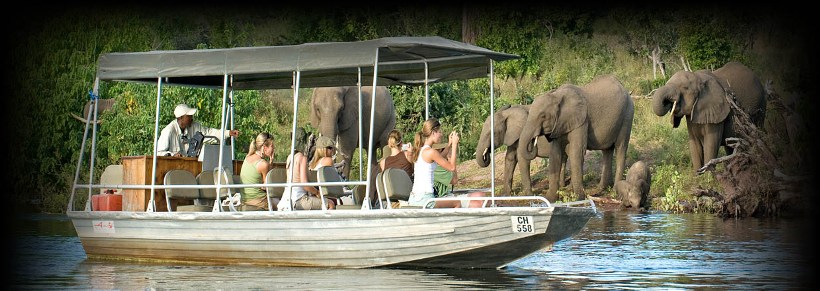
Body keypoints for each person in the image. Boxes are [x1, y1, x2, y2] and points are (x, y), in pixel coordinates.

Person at [409, 118, 486, 208]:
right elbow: (452, 167)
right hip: (425, 199)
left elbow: (440, 157)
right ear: (433, 132)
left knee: (455, 202)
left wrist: (449, 144)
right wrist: (454, 145)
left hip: (415, 198)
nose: (441, 135)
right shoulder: (430, 152)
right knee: (456, 203)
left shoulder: (422, 150)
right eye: (439, 132)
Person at [277, 128, 335, 211]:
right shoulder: (302, 158)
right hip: (299, 199)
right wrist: (317, 193)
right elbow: (305, 184)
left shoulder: (290, 157)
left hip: (286, 198)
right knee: (330, 203)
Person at [156, 103, 240, 157]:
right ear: (181, 118)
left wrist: (228, 133)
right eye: (188, 116)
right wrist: (172, 155)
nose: (191, 118)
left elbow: (209, 133)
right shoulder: (168, 130)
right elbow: (158, 153)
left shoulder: (194, 126)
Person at [239, 132, 277, 210]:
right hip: (259, 203)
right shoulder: (263, 164)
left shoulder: (247, 158)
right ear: (264, 147)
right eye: (272, 146)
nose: (274, 149)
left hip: (245, 202)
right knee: (283, 205)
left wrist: (271, 161)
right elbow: (267, 187)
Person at [308, 136, 340, 208]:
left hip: (313, 194)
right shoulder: (328, 160)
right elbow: (333, 182)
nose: (332, 151)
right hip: (323, 194)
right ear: (323, 149)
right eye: (330, 148)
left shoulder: (312, 164)